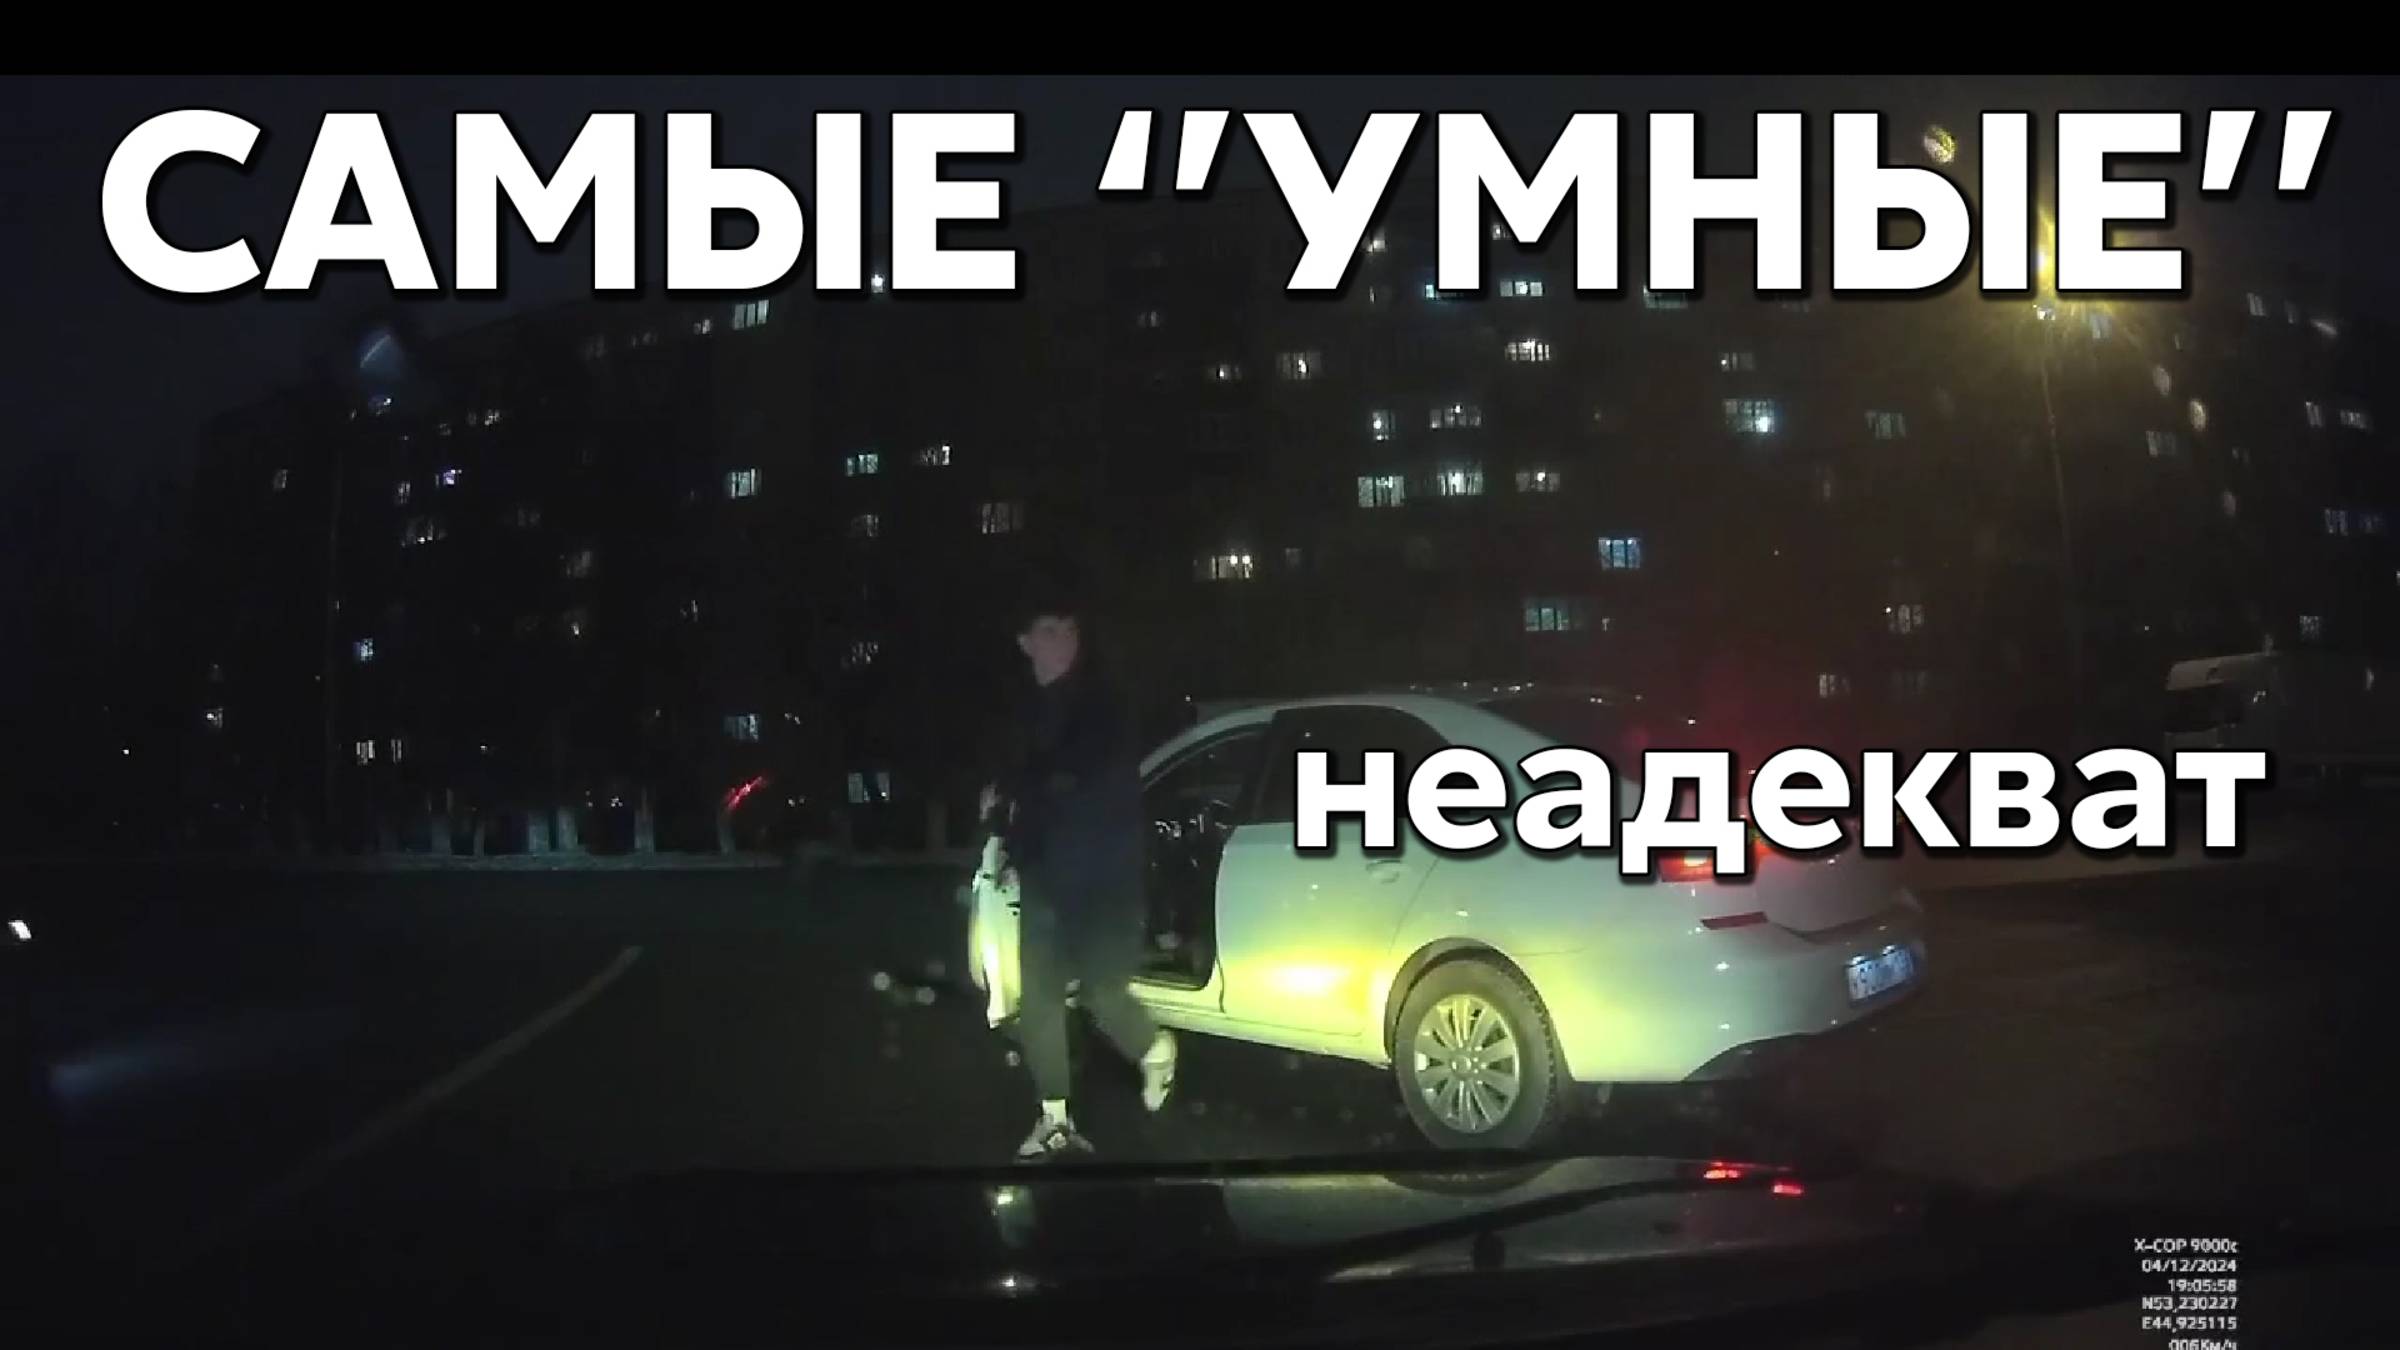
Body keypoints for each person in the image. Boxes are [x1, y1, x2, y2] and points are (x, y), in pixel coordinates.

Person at [984, 582, 1177, 1160]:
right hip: (1045, 877)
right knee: (1039, 1000)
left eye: (1070, 630)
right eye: (1050, 631)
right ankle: (1054, 1119)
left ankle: (1154, 1049)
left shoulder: (1101, 704)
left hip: (1103, 878)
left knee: (1101, 992)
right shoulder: (1023, 711)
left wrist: (1014, 791)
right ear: (1025, 642)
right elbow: (1023, 792)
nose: (1063, 641)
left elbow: (1067, 777)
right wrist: (1010, 845)